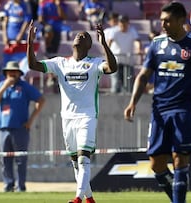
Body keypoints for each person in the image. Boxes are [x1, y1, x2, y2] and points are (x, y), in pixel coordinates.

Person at [123, 2, 191, 203]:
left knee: (180, 158)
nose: (163, 24)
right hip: (159, 109)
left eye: (167, 21)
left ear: (181, 21)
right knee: (156, 164)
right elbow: (143, 76)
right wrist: (133, 102)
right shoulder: (157, 45)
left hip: (184, 109)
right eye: (161, 21)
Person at [27, 19, 117, 203]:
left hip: (87, 116)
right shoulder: (60, 63)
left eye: (84, 36)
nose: (79, 35)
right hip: (67, 118)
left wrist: (104, 44)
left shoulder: (94, 63)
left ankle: (77, 198)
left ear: (89, 45)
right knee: (76, 162)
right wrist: (30, 43)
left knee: (84, 159)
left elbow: (112, 68)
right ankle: (89, 198)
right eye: (78, 34)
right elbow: (33, 65)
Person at [0, 61, 45, 192]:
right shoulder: (1, 85)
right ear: (6, 73)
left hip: (20, 128)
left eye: (14, 72)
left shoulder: (25, 87)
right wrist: (5, 86)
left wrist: (31, 120)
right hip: (4, 128)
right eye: (10, 72)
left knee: (20, 159)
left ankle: (21, 186)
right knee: (5, 159)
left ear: (19, 74)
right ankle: (8, 185)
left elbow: (41, 100)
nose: (12, 74)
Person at [108, 15, 142, 94]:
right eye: (121, 23)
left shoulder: (132, 30)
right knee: (115, 84)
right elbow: (110, 41)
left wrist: (138, 49)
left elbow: (136, 41)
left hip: (128, 61)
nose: (123, 25)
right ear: (118, 23)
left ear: (128, 23)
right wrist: (108, 53)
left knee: (128, 85)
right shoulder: (114, 31)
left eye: (124, 23)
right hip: (116, 61)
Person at [1, 0, 32, 65]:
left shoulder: (25, 5)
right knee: (8, 62)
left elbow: (27, 21)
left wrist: (20, 34)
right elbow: (5, 21)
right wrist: (4, 36)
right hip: (9, 40)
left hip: (21, 40)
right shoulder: (9, 5)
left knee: (21, 63)